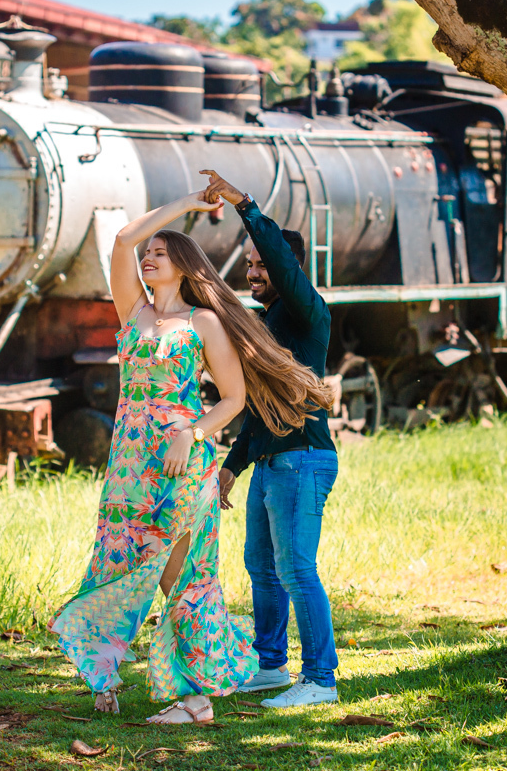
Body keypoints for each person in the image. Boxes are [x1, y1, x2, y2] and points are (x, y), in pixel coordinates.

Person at [48, 189, 333, 725]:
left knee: (181, 576)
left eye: (162, 252)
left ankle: (197, 697)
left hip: (182, 461)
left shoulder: (204, 323)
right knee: (117, 562)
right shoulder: (132, 310)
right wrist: (188, 203)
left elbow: (233, 398)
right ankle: (104, 675)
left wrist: (193, 434)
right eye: (149, 253)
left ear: (183, 265)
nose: (149, 257)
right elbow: (122, 238)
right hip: (129, 464)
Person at [202, 169, 342, 709]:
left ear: (287, 269)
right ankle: (270, 666)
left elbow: (281, 260)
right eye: (251, 265)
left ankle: (320, 680)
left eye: (262, 265)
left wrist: (245, 205)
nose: (253, 271)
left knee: (296, 568)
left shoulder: (308, 314)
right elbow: (259, 414)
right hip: (270, 464)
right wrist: (232, 467)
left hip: (304, 462)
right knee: (260, 563)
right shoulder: (261, 325)